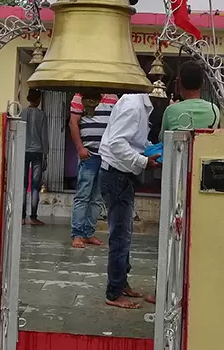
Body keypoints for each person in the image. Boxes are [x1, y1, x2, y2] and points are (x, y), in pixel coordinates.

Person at [98, 92, 161, 310]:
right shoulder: (134, 107)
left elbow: (133, 141)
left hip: (119, 174)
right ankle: (114, 293)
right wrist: (143, 161)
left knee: (124, 233)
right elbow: (117, 143)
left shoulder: (138, 105)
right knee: (120, 236)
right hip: (116, 174)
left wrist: (151, 149)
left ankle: (121, 283)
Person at [68, 90, 116, 248]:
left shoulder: (113, 98)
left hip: (105, 156)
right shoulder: (80, 96)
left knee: (97, 198)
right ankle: (77, 234)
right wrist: (80, 148)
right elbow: (73, 123)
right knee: (83, 196)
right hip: (88, 155)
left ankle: (88, 233)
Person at [161, 62, 221, 132]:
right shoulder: (214, 110)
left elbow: (163, 138)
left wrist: (173, 107)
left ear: (178, 82)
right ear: (203, 83)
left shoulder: (171, 110)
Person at [22, 88, 49, 225]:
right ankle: (33, 217)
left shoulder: (22, 113)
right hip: (38, 152)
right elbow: (44, 137)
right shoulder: (42, 115)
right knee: (34, 186)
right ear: (39, 99)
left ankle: (21, 217)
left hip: (23, 151)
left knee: (23, 184)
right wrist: (46, 156)